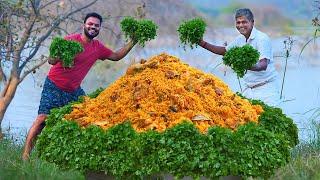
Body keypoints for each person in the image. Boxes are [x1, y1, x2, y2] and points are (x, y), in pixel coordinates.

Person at [22, 12, 136, 160]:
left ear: (99, 28)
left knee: (89, 113)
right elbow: (51, 61)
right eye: (90, 24)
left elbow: (115, 56)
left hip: (73, 90)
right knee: (42, 119)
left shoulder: (98, 48)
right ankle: (25, 156)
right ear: (84, 25)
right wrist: (58, 56)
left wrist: (133, 41)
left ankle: (72, 156)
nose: (93, 27)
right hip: (54, 85)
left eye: (96, 25)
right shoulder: (70, 41)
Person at [198, 8, 280, 107]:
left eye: (244, 22)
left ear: (252, 22)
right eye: (238, 22)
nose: (241, 25)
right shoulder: (240, 40)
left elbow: (263, 65)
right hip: (249, 90)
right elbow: (224, 51)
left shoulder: (262, 39)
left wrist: (243, 65)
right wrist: (202, 43)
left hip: (266, 90)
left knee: (267, 119)